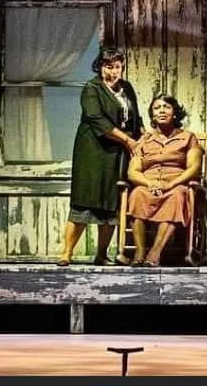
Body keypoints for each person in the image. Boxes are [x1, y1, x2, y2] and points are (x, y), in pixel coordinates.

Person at [56, 47, 143, 267]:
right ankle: (67, 252)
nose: (113, 72)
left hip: (117, 154)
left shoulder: (127, 88)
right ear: (99, 67)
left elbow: (136, 118)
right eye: (108, 66)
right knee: (85, 202)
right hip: (93, 152)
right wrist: (128, 140)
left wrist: (142, 136)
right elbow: (98, 121)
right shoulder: (92, 89)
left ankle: (101, 254)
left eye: (117, 67)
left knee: (110, 203)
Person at [124, 94, 204, 267]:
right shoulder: (145, 140)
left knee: (177, 196)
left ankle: (155, 253)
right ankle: (139, 251)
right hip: (149, 184)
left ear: (175, 113)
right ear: (152, 115)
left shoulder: (188, 137)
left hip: (176, 184)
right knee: (137, 194)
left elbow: (194, 168)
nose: (161, 111)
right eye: (157, 108)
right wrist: (149, 183)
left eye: (166, 107)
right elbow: (133, 171)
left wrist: (171, 184)